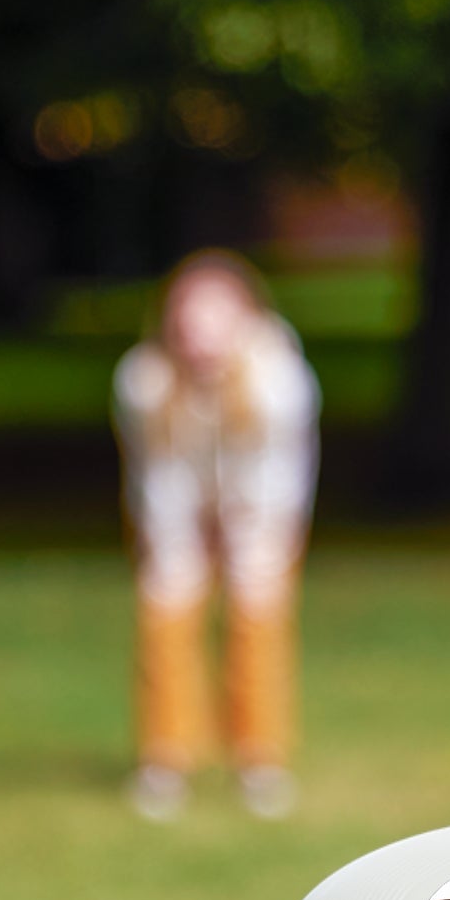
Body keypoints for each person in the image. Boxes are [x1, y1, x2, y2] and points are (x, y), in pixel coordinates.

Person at [113, 250, 320, 821]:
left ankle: (260, 760)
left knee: (258, 618)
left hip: (261, 512)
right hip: (175, 510)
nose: (200, 334)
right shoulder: (144, 381)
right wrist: (179, 543)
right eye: (188, 317)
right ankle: (166, 758)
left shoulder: (279, 379)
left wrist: (245, 536)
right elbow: (157, 475)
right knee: (165, 611)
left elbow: (277, 475)